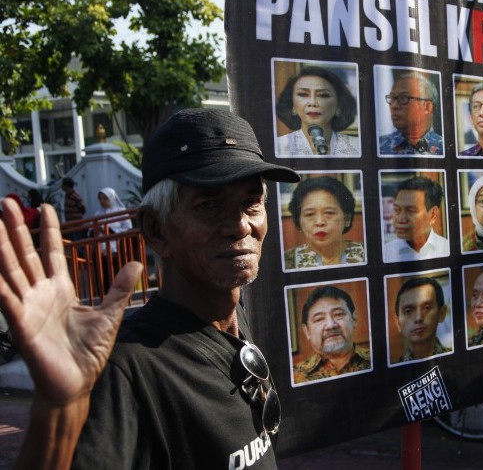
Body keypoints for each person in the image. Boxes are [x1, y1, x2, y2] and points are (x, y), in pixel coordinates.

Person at [0, 108, 299, 468]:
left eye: (252, 202)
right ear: (156, 230)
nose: (240, 226)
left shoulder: (233, 319)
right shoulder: (125, 371)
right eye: (209, 205)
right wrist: (60, 411)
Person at [275, 65, 360, 156]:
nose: (312, 103)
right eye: (303, 94)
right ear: (292, 105)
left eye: (323, 95)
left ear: (339, 105)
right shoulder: (278, 147)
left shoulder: (357, 146)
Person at [283, 176, 365, 269]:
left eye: (329, 213)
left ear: (347, 219)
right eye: (310, 214)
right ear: (299, 221)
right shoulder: (286, 262)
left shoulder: (368, 253)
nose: (320, 222)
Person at [293, 285, 371, 383]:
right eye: (319, 319)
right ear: (307, 331)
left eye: (338, 314)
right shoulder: (294, 376)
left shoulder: (377, 360)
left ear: (354, 319)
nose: (330, 325)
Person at [383, 175, 450, 262]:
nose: (401, 219)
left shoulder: (447, 249)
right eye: (397, 210)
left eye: (411, 211)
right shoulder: (386, 253)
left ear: (433, 214)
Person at [379, 70, 443, 155]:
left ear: (427, 107)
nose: (394, 106)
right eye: (392, 98)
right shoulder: (379, 145)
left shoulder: (445, 147)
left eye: (404, 98)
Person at [393, 276, 450, 362]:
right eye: (408, 311)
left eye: (427, 308)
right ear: (398, 323)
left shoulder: (457, 360)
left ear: (441, 313)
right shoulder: (392, 373)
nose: (418, 318)